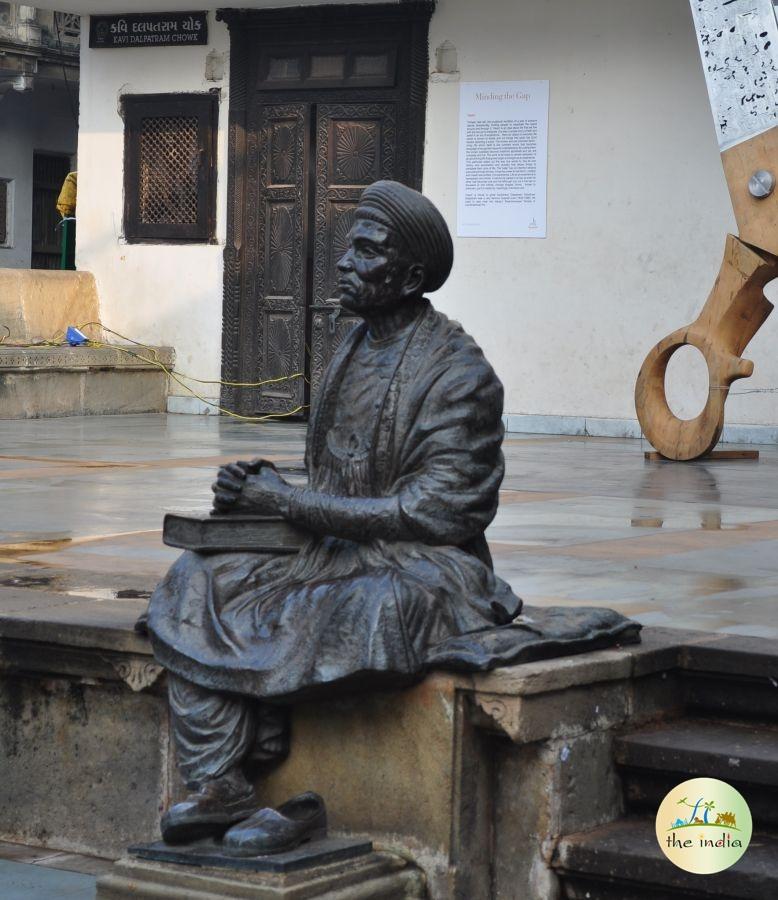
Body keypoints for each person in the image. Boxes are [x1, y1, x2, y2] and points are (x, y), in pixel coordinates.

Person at [147, 181, 636, 852]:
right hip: (333, 547)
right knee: (196, 579)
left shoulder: (460, 374)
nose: (345, 261)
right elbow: (344, 477)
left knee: (371, 607)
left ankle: (271, 759)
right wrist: (263, 487)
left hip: (424, 562)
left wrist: (288, 502)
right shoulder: (351, 346)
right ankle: (218, 778)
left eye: (366, 252)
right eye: (349, 245)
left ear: (410, 276)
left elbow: (433, 512)